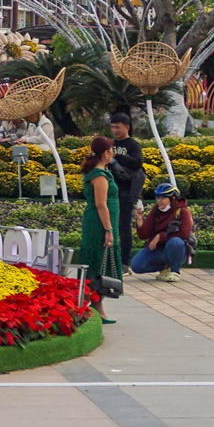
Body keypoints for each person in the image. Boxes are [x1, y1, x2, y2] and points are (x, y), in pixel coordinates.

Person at [80, 135, 121, 319]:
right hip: (99, 224)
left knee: (99, 263)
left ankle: (96, 307)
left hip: (103, 222)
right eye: (112, 150)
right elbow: (101, 205)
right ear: (106, 153)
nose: (113, 153)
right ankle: (91, 306)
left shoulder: (102, 172)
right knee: (97, 263)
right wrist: (108, 230)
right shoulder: (99, 176)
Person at [131, 182, 192, 283]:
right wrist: (140, 220)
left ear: (172, 199)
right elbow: (143, 235)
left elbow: (184, 234)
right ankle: (165, 268)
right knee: (136, 266)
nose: (159, 201)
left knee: (176, 242)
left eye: (163, 198)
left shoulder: (182, 211)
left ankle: (175, 271)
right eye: (158, 198)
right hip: (158, 249)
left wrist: (160, 236)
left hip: (175, 248)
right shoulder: (156, 211)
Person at [108, 113, 144, 265]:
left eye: (118, 127)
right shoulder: (110, 143)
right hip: (110, 190)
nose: (115, 130)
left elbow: (137, 163)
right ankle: (110, 259)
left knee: (124, 228)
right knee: (109, 226)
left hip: (126, 192)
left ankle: (124, 262)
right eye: (113, 127)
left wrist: (117, 156)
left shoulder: (133, 145)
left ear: (127, 127)